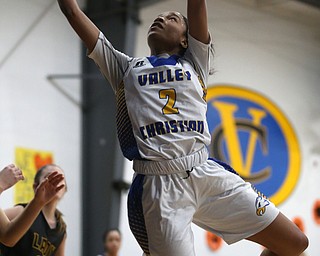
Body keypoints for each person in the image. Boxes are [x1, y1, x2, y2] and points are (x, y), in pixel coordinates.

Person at [57, 0, 308, 255]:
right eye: (160, 17)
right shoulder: (124, 68)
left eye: (172, 18)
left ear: (186, 40)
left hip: (205, 172)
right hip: (158, 186)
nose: (162, 18)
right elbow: (72, 11)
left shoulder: (195, 62)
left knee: (296, 243)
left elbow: (196, 4)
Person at [0, 164, 67, 256]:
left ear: (65, 189)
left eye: (60, 178)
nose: (55, 182)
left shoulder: (61, 228)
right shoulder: (20, 211)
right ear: (36, 186)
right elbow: (7, 236)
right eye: (49, 177)